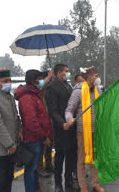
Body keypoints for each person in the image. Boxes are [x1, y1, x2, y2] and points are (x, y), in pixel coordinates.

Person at [65, 67, 105, 192]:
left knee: (96, 158)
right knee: (82, 159)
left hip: (97, 131)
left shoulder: (98, 90)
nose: (98, 77)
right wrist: (69, 119)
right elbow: (69, 110)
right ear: (89, 77)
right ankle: (83, 186)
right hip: (83, 132)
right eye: (96, 75)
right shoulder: (77, 92)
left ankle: (95, 183)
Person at [14, 70, 53, 192]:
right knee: (31, 168)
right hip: (33, 139)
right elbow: (31, 122)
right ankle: (31, 189)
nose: (42, 81)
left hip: (37, 138)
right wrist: (43, 137)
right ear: (33, 80)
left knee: (35, 167)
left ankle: (36, 187)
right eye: (40, 78)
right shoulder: (27, 98)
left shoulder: (34, 94)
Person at [45, 64, 79, 192]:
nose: (68, 73)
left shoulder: (68, 85)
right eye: (66, 71)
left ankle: (69, 180)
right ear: (59, 73)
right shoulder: (51, 87)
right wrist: (62, 123)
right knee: (59, 158)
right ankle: (58, 184)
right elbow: (52, 110)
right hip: (61, 129)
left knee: (71, 156)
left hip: (71, 126)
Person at [37, 70, 54, 178]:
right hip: (41, 121)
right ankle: (40, 168)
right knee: (41, 145)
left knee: (49, 144)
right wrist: (48, 78)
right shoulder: (39, 88)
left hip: (49, 119)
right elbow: (40, 87)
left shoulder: (49, 88)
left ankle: (49, 164)